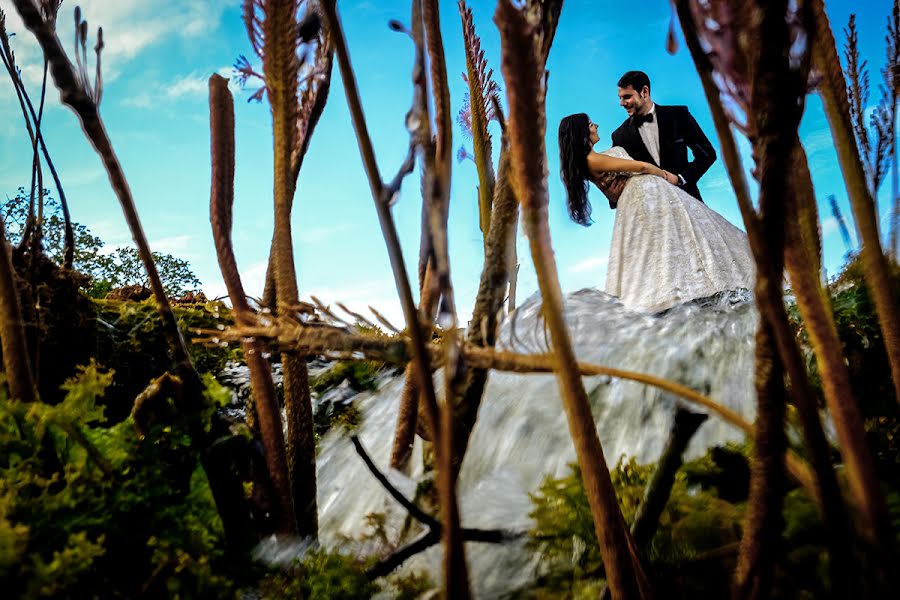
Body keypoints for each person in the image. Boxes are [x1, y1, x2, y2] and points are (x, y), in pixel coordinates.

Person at [558, 113, 755, 312]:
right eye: (591, 124)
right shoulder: (593, 160)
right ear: (582, 132)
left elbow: (611, 191)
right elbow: (641, 166)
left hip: (639, 199)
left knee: (666, 245)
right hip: (648, 194)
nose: (596, 125)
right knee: (681, 238)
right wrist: (665, 175)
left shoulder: (590, 161)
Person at [601, 70, 716, 208]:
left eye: (627, 97)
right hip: (651, 213)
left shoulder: (678, 115)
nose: (621, 103)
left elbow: (707, 154)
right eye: (620, 97)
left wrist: (681, 179)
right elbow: (619, 181)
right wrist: (613, 199)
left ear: (644, 92)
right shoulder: (619, 136)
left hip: (690, 205)